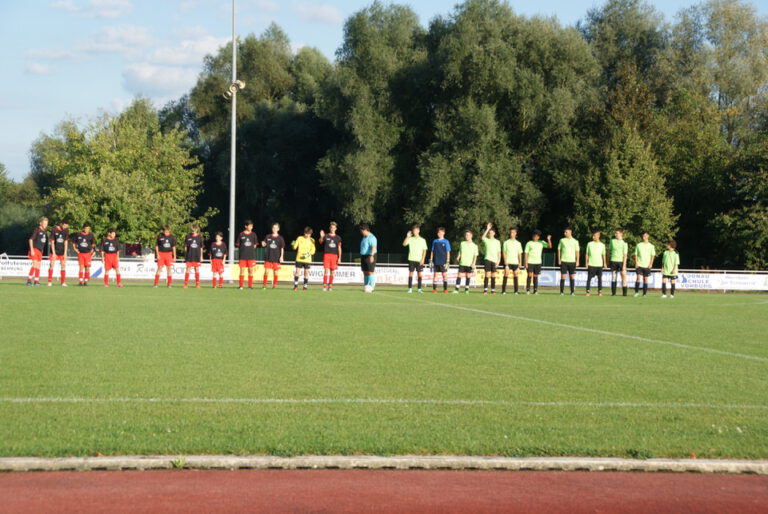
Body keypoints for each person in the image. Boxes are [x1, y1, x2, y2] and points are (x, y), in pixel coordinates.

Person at [523, 230, 552, 295]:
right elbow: (526, 253)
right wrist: (526, 262)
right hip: (530, 262)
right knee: (530, 275)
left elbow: (549, 246)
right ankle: (528, 290)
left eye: (537, 236)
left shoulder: (541, 243)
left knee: (535, 276)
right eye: (534, 236)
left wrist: (549, 239)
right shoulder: (529, 243)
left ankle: (535, 290)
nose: (535, 237)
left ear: (538, 237)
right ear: (532, 236)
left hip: (538, 262)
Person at [402, 224, 427, 293]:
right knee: (411, 274)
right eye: (414, 230)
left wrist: (423, 259)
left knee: (419, 274)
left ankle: (419, 289)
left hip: (419, 260)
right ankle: (410, 288)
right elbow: (404, 244)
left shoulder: (422, 240)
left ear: (418, 231)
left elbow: (424, 250)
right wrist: (407, 237)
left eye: (416, 230)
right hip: (411, 259)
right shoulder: (410, 239)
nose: (415, 231)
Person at [319, 222, 342, 291]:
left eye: (334, 228)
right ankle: (324, 286)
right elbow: (320, 242)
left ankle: (330, 286)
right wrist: (321, 236)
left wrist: (339, 258)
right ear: (330, 228)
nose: (332, 229)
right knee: (326, 270)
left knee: (332, 271)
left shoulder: (338, 238)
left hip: (334, 256)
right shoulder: (326, 236)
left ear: (336, 229)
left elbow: (339, 248)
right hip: (327, 255)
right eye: (331, 227)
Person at [261, 223, 285, 289]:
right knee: (266, 272)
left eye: (276, 228)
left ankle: (274, 285)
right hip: (268, 257)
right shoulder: (268, 236)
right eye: (273, 228)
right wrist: (263, 243)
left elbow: (282, 248)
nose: (274, 229)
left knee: (276, 272)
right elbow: (264, 244)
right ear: (272, 228)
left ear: (278, 229)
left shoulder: (280, 238)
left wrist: (281, 256)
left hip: (276, 258)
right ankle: (264, 285)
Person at [292, 227, 316, 291]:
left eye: (309, 234)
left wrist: (307, 254)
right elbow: (294, 246)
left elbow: (313, 250)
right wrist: (293, 244)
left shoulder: (312, 240)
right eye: (306, 233)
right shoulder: (299, 238)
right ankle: (295, 286)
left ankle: (305, 286)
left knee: (306, 273)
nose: (307, 235)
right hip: (299, 258)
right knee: (297, 272)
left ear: (311, 234)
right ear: (304, 233)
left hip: (307, 259)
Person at [236, 220, 258, 290]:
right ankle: (241, 286)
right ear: (246, 226)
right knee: (242, 271)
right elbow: (238, 244)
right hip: (242, 256)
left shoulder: (253, 234)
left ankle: (250, 286)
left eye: (252, 226)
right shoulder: (241, 234)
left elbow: (255, 245)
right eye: (250, 226)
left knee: (250, 271)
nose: (251, 227)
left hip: (251, 256)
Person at [26, 217, 48, 286]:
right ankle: (29, 281)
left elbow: (42, 242)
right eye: (44, 223)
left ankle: (36, 281)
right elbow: (30, 240)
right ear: (40, 223)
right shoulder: (37, 230)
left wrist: (42, 250)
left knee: (38, 266)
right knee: (35, 265)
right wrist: (32, 250)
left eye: (46, 224)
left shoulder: (45, 231)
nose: (45, 225)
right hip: (35, 249)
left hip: (40, 251)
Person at [558, 227, 580, 296]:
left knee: (572, 277)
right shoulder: (562, 240)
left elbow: (577, 252)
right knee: (563, 277)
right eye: (564, 232)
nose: (564, 233)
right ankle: (561, 292)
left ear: (570, 232)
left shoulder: (575, 241)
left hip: (572, 261)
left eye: (566, 232)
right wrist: (559, 259)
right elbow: (559, 250)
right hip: (564, 261)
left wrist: (577, 261)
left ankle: (572, 292)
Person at [480, 222, 501, 295]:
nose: (491, 234)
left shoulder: (497, 242)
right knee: (487, 274)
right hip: (487, 259)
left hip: (494, 260)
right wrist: (487, 229)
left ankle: (493, 290)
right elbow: (482, 238)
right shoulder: (487, 240)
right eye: (489, 233)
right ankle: (485, 290)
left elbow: (499, 252)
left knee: (493, 275)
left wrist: (498, 260)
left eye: (492, 232)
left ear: (494, 233)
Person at [634, 231, 656, 297]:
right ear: (642, 237)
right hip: (639, 264)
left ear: (648, 236)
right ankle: (636, 292)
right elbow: (636, 254)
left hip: (647, 265)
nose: (644, 237)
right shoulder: (638, 245)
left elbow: (653, 255)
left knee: (645, 279)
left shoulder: (651, 246)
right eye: (643, 236)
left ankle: (644, 294)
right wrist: (636, 263)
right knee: (638, 278)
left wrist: (651, 264)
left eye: (646, 235)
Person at [584, 230, 606, 297]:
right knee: (589, 279)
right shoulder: (589, 244)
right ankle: (587, 291)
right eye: (593, 236)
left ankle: (599, 292)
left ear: (598, 236)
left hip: (599, 264)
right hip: (591, 264)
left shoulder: (602, 245)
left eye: (594, 236)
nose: (593, 237)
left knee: (600, 279)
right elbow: (587, 254)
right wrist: (586, 263)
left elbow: (603, 254)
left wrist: (604, 263)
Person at [502, 228, 523, 295]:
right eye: (511, 232)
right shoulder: (506, 242)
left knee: (516, 275)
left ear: (516, 233)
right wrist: (505, 260)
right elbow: (504, 252)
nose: (512, 234)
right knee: (506, 274)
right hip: (508, 262)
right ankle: (503, 291)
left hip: (515, 262)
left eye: (513, 232)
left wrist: (520, 262)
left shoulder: (518, 243)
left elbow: (520, 253)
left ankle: (516, 291)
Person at [47, 220, 69, 286]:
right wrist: (53, 253)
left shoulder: (66, 230)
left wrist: (65, 253)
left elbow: (66, 242)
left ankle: (63, 282)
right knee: (51, 265)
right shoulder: (54, 229)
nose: (66, 226)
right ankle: (49, 282)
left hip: (62, 252)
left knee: (63, 266)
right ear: (61, 224)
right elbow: (52, 242)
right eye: (65, 225)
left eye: (67, 225)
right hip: (54, 251)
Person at [430, 227, 451, 293]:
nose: (440, 234)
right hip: (436, 260)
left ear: (444, 233)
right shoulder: (435, 241)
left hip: (443, 261)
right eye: (439, 232)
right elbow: (432, 251)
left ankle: (445, 289)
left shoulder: (446, 241)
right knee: (435, 275)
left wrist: (448, 261)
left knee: (444, 275)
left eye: (441, 232)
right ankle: (434, 289)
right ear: (437, 233)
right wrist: (430, 260)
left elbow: (448, 252)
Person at [609, 228, 629, 297]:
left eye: (617, 233)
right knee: (613, 277)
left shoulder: (624, 243)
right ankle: (613, 293)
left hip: (621, 262)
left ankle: (624, 294)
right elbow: (609, 251)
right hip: (613, 261)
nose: (615, 234)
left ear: (621, 234)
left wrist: (624, 265)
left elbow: (625, 255)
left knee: (623, 276)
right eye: (615, 233)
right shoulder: (612, 241)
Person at [183, 224, 203, 289]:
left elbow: (201, 247)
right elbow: (185, 247)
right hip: (189, 256)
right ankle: (185, 284)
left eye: (194, 229)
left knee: (196, 269)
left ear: (197, 229)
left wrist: (201, 256)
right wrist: (185, 255)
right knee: (188, 269)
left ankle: (197, 284)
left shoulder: (199, 237)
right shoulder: (188, 236)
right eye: (192, 229)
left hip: (197, 256)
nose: (193, 230)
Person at [359, 223, 377, 292]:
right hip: (363, 256)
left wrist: (371, 255)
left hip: (370, 255)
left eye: (361, 231)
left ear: (365, 229)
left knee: (370, 272)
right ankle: (366, 286)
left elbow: (373, 247)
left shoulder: (372, 237)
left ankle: (372, 287)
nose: (361, 232)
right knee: (365, 272)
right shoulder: (364, 237)